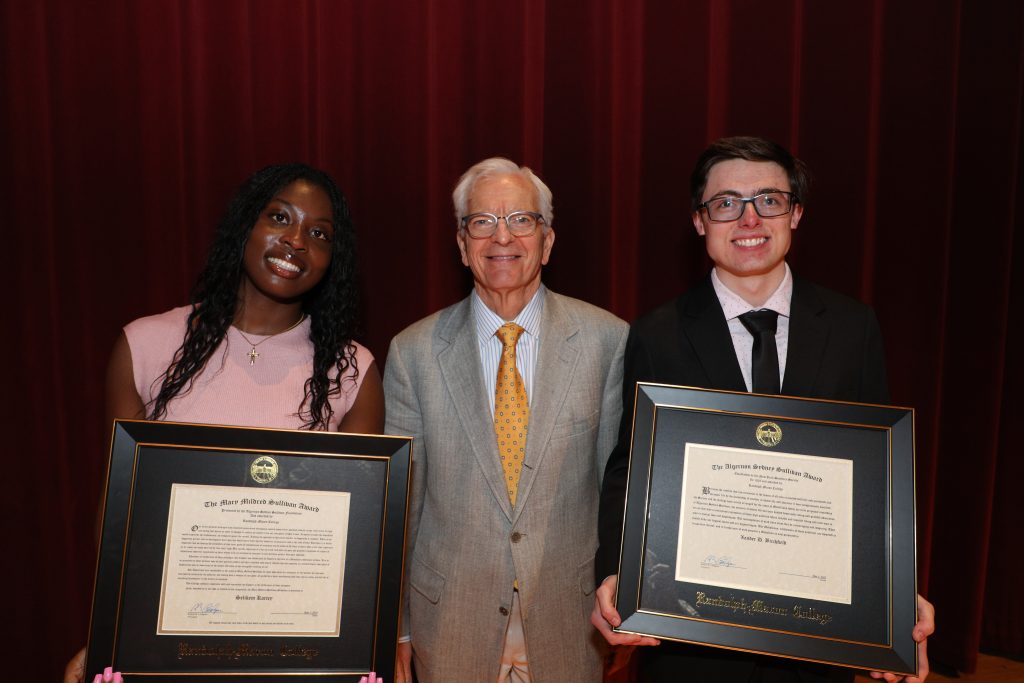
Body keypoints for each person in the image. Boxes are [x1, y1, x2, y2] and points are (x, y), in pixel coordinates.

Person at [592, 137, 934, 682]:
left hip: (818, 631)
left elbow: (877, 477)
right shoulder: (656, 333)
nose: (748, 218)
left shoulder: (852, 327)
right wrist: (616, 571)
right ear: (699, 222)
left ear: (795, 213)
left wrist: (892, 600)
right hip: (690, 634)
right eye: (726, 203)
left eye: (768, 200)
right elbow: (629, 469)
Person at [64, 163, 384, 683]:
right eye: (279, 217)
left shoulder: (354, 372)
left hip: (296, 659)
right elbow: (118, 512)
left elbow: (360, 540)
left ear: (333, 259)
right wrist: (108, 633)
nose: (296, 241)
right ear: (245, 226)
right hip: (170, 652)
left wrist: (357, 653)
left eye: (319, 233)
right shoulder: (144, 346)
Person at [384, 157, 628, 682]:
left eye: (521, 219)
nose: (502, 236)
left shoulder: (608, 341)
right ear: (461, 243)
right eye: (482, 221)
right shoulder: (413, 352)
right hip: (448, 620)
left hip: (571, 621)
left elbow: (620, 495)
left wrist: (625, 600)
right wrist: (397, 628)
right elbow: (400, 505)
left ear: (547, 240)